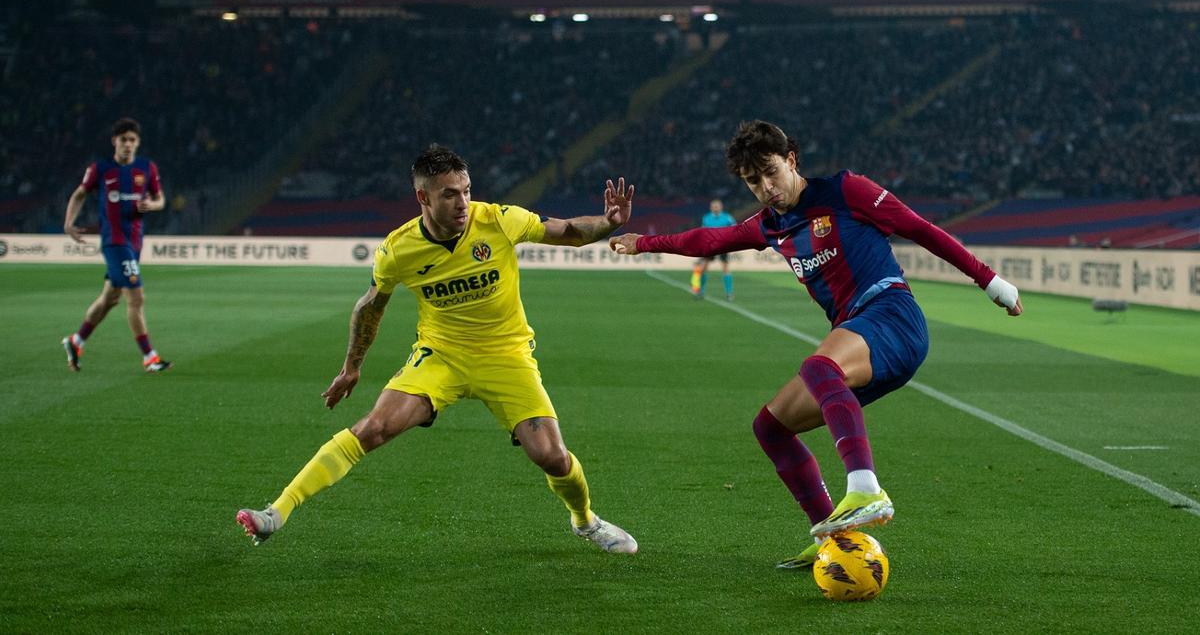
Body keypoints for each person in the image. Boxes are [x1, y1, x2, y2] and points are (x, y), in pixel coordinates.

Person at [609, 120, 1021, 569]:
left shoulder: (847, 191)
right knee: (770, 427)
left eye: (771, 172)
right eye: (753, 181)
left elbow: (921, 230)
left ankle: (865, 486)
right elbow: (710, 239)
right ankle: (836, 539)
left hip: (892, 317)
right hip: (858, 333)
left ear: (791, 159)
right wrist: (643, 243)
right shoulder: (771, 225)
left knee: (818, 367)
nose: (766, 187)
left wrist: (990, 281)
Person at [237, 145, 638, 553]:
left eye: (465, 190)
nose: (463, 202)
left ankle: (585, 521)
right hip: (441, 356)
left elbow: (568, 231)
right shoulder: (399, 249)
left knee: (552, 457)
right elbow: (370, 307)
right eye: (449, 194)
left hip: (505, 356)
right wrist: (351, 366)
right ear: (423, 197)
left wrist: (607, 222)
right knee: (373, 428)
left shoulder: (498, 220)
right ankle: (276, 512)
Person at [61, 117, 171, 373]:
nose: (128, 145)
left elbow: (160, 198)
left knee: (110, 298)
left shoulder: (146, 168)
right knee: (136, 297)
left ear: (138, 143)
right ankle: (150, 357)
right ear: (115, 142)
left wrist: (152, 205)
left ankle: (76, 342)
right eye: (124, 140)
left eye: (133, 140)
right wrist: (68, 223)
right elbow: (79, 194)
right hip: (115, 243)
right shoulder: (101, 169)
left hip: (135, 243)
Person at [690, 198, 737, 300]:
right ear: (711, 207)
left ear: (721, 207)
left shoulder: (727, 218)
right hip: (710, 246)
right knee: (704, 267)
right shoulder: (706, 218)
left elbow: (735, 229)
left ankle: (729, 293)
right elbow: (703, 232)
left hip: (723, 246)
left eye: (717, 206)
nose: (715, 208)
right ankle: (701, 291)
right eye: (714, 206)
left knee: (725, 268)